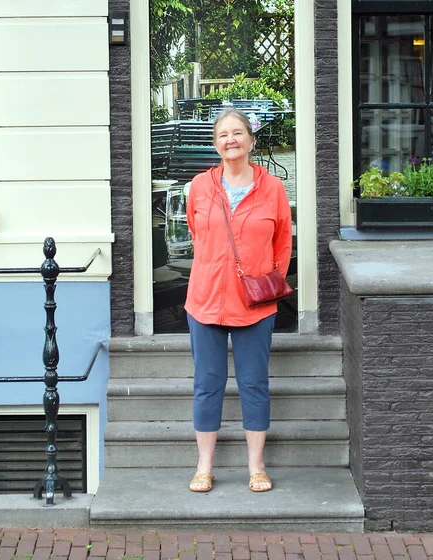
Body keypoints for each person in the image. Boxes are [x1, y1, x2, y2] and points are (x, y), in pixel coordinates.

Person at [184, 108, 292, 493]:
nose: (230, 140)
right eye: (222, 135)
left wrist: (264, 278)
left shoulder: (274, 188)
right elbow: (198, 234)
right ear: (216, 145)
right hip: (206, 299)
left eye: (237, 133)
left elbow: (282, 243)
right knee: (207, 383)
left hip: (255, 304)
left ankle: (256, 466)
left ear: (251, 140)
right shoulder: (199, 186)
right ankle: (204, 466)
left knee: (254, 383)